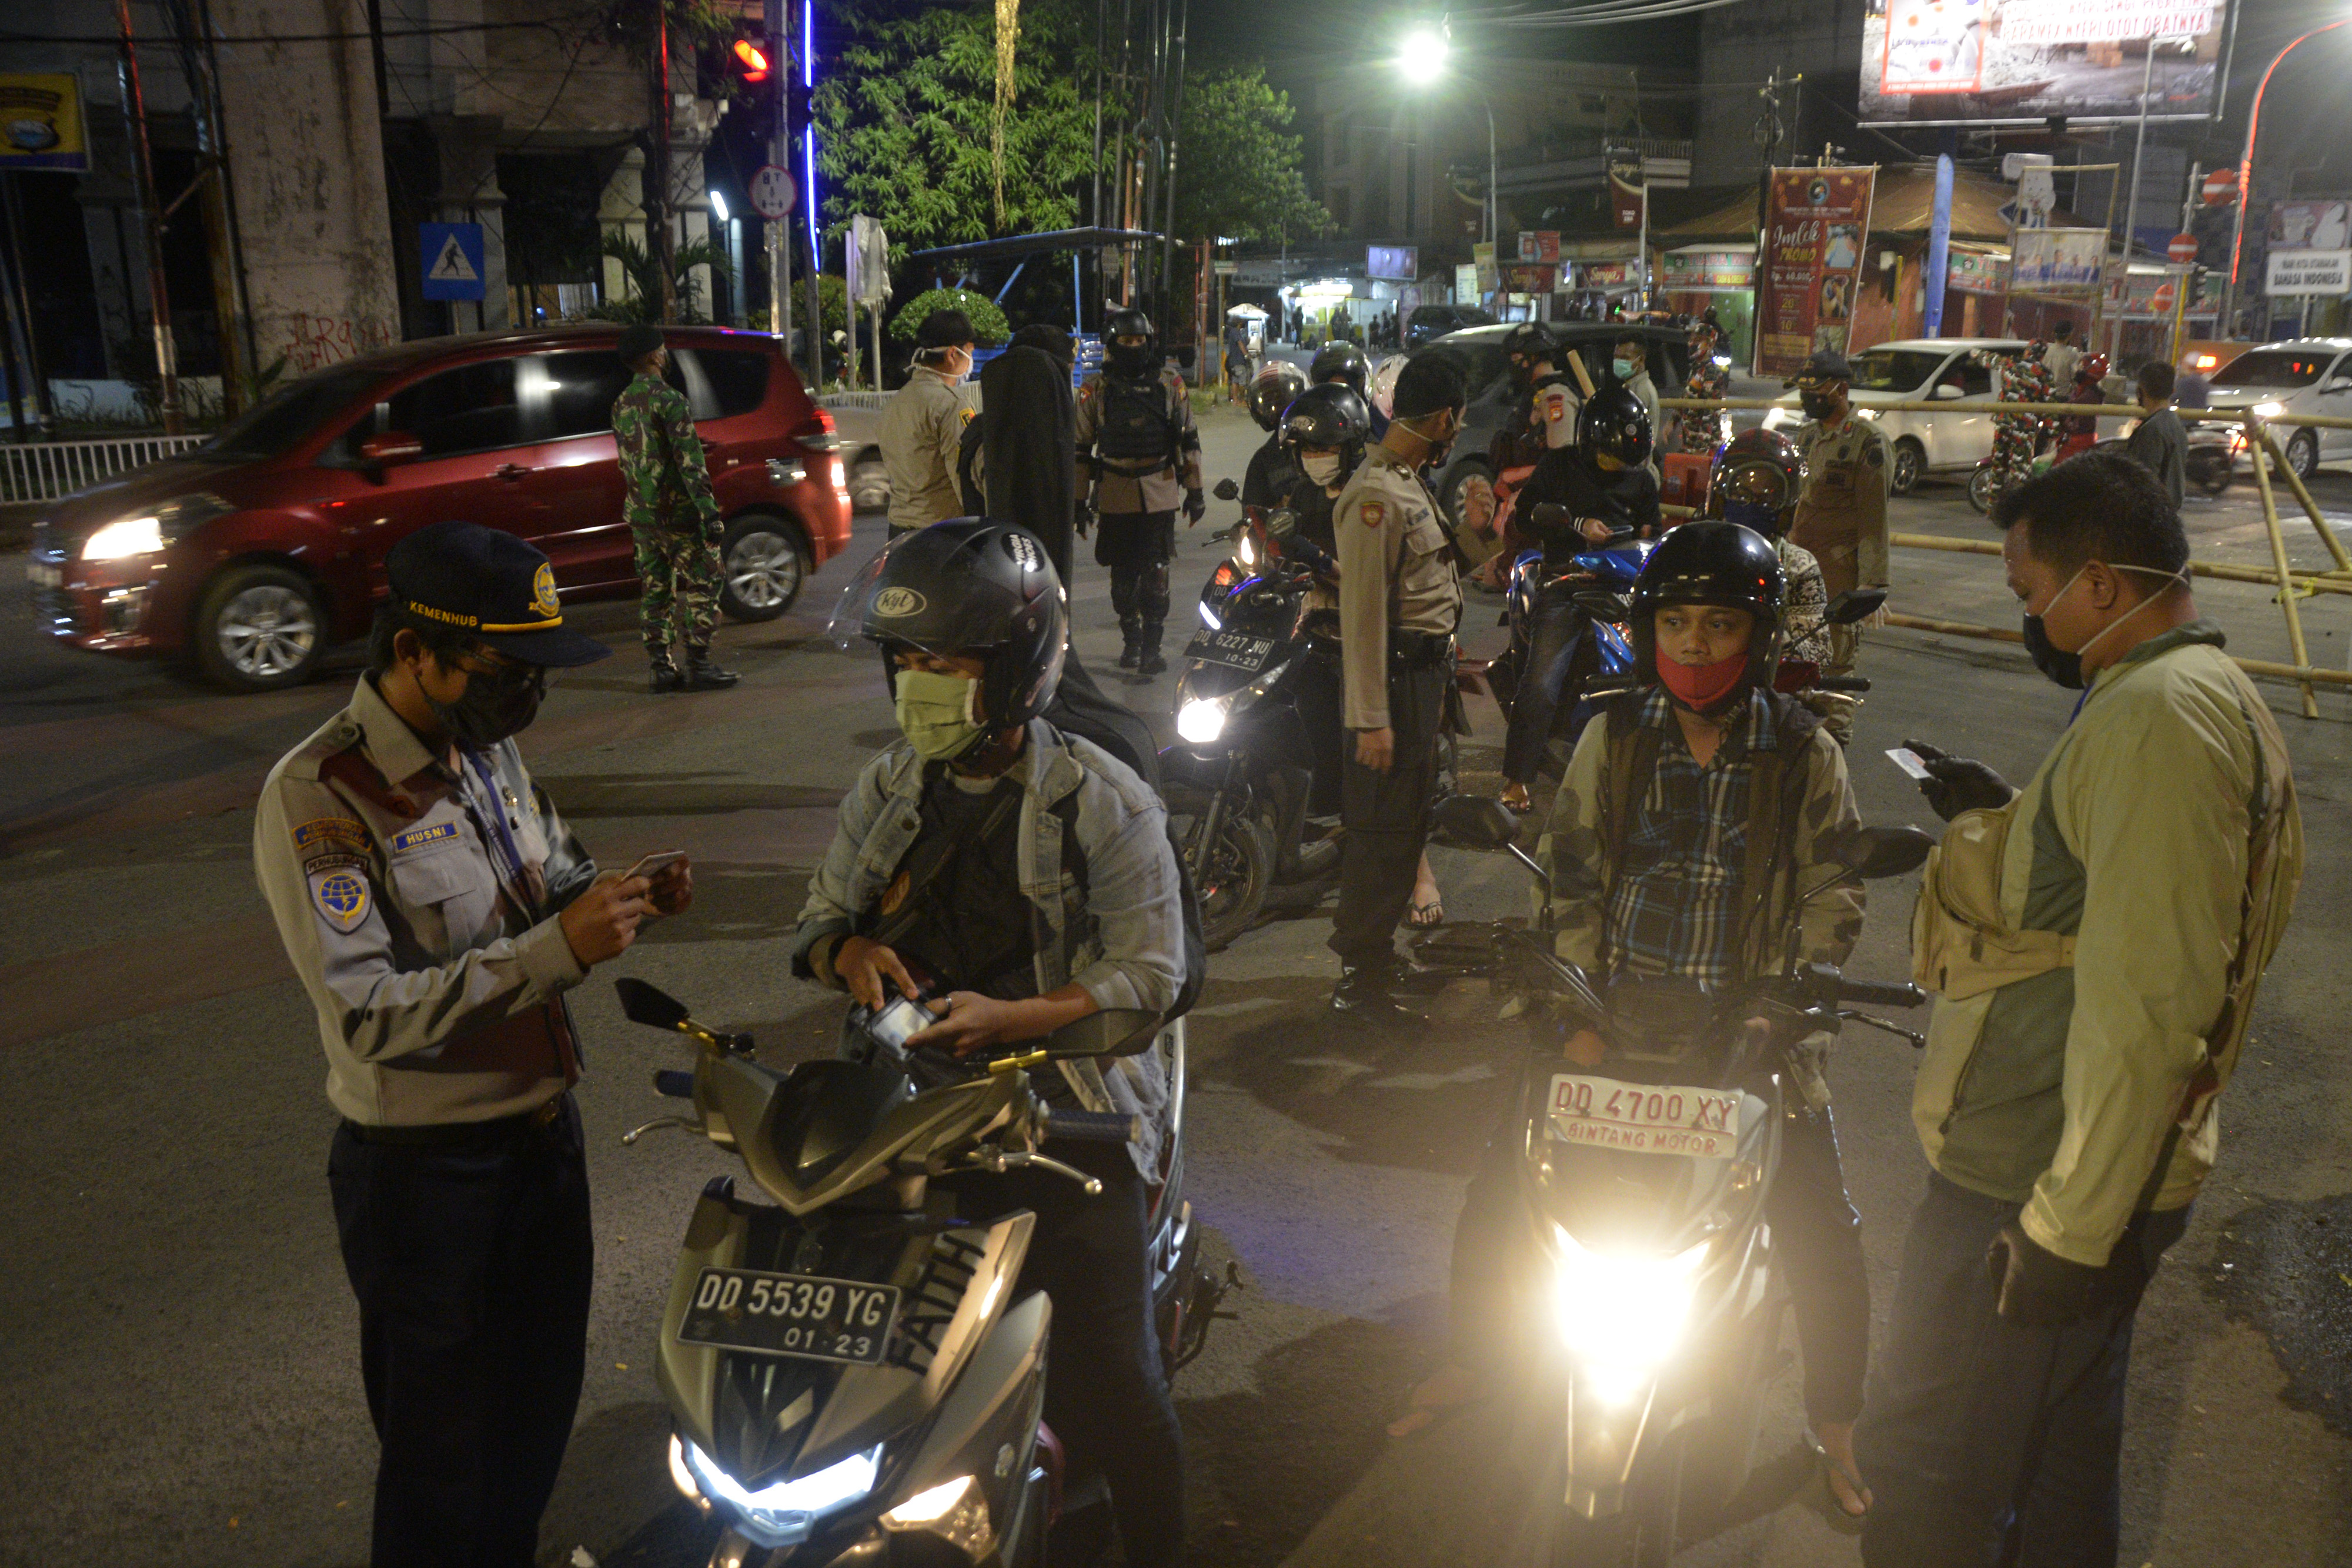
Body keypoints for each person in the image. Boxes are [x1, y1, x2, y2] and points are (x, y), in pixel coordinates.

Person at [1859, 452, 2303, 1565]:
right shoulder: (2181, 695)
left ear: (2097, 582)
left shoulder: (2160, 717)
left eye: (2029, 594)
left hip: (2036, 1176)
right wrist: (2010, 814)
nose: (2032, 620)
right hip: (2076, 1171)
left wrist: (2064, 1231)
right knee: (2054, 1456)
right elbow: (2120, 889)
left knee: (1931, 1467)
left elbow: (2150, 998)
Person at [1400, 523, 1877, 1522]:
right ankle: (1475, 1359)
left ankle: (1835, 1423)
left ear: (1756, 632)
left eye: (1719, 624)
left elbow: (1834, 890)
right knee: (1504, 1192)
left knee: (1820, 1226)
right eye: (1678, 622)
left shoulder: (1804, 751)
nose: (1697, 644)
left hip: (1748, 1032)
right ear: (1650, 628)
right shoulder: (1614, 739)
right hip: (1607, 1023)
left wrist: (1787, 1000)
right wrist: (1571, 1003)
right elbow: (1570, 875)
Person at [253, 520, 693, 1566]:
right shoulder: (320, 792)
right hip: (427, 1183)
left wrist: (619, 895)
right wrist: (554, 954)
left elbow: (549, 884)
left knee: (533, 1423)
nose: (526, 699)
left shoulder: (487, 751)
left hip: (544, 1143)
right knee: (441, 1470)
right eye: (506, 672)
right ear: (416, 654)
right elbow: (364, 1009)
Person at [796, 519, 1188, 1568]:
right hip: (904, 1119)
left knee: (1118, 1387)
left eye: (949, 662)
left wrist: (1012, 1019)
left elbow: (1155, 977)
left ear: (1015, 669)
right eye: (908, 661)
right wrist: (850, 953)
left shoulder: (1104, 801)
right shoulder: (888, 792)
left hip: (1068, 1121)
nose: (921, 682)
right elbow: (817, 919)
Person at [1328, 352, 1467, 1020]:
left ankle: (1377, 964)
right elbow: (1362, 615)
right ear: (1444, 418)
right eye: (1458, 421)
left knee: (1405, 823)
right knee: (1380, 833)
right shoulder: (1377, 495)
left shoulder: (1408, 481)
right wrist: (1371, 717)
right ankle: (1360, 979)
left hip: (1421, 678)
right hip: (1393, 685)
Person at [1496, 383, 1661, 814]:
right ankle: (1516, 778)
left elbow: (1652, 531)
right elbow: (1528, 514)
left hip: (1626, 583)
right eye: (1612, 458)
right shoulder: (1558, 466)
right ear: (1590, 442)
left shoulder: (1641, 479)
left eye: (1628, 461)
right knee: (1542, 682)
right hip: (1568, 581)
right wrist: (1576, 524)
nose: (1620, 468)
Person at [1077, 306, 1204, 676]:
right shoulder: (1094, 389)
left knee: (1157, 574)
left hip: (1160, 491)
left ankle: (1152, 646)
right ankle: (1131, 642)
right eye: (1127, 340)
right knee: (1122, 581)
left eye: (1140, 340)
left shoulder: (1170, 384)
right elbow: (1080, 451)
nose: (1134, 346)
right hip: (1115, 493)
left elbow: (1189, 439)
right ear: (1112, 344)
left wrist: (1195, 492)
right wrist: (1078, 503)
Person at [612, 323, 737, 693]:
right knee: (706, 579)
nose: (665, 355)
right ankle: (698, 664)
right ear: (653, 356)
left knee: (655, 591)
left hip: (642, 517)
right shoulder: (670, 400)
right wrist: (709, 513)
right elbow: (690, 463)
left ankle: (661, 669)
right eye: (663, 350)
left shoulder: (620, 404)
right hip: (678, 515)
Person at [1788, 349, 1889, 737]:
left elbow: (1874, 517)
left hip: (1839, 576)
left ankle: (1835, 765)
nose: (1807, 398)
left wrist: (1873, 587)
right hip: (1802, 572)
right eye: (1803, 390)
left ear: (1841, 389)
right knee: (1799, 668)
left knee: (1835, 677)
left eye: (1816, 390)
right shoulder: (1809, 435)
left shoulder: (1867, 440)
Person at [1711, 428, 1833, 668]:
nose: (1753, 505)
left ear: (1785, 505)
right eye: (1741, 494)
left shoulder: (1798, 565)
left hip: (1765, 686)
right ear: (1722, 494)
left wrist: (1747, 635)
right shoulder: (1689, 551)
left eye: (1767, 499)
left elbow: (1819, 651)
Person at [880, 307, 981, 536]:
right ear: (953, 355)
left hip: (897, 530)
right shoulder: (951, 404)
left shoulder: (897, 402)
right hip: (942, 532)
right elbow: (965, 478)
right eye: (970, 351)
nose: (971, 360)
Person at [1240, 358, 1311, 511]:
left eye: (1281, 398)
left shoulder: (1325, 442)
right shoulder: (1264, 459)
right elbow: (1252, 515)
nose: (1277, 406)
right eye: (1270, 400)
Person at [2126, 359, 2187, 510]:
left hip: (2153, 514)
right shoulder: (2176, 424)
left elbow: (2143, 481)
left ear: (2141, 391)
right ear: (2172, 391)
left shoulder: (2152, 429)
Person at [1680, 320, 1733, 454]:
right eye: (1691, 339)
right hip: (1691, 441)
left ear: (1710, 344)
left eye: (1698, 340)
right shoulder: (1695, 369)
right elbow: (1686, 398)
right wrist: (1672, 423)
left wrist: (1701, 448)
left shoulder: (1711, 372)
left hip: (1704, 447)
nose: (1692, 343)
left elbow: (1709, 413)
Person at [2043, 317, 2082, 390]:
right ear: (2070, 335)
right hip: (2063, 396)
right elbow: (2076, 378)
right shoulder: (2072, 353)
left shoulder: (2049, 350)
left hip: (2047, 395)